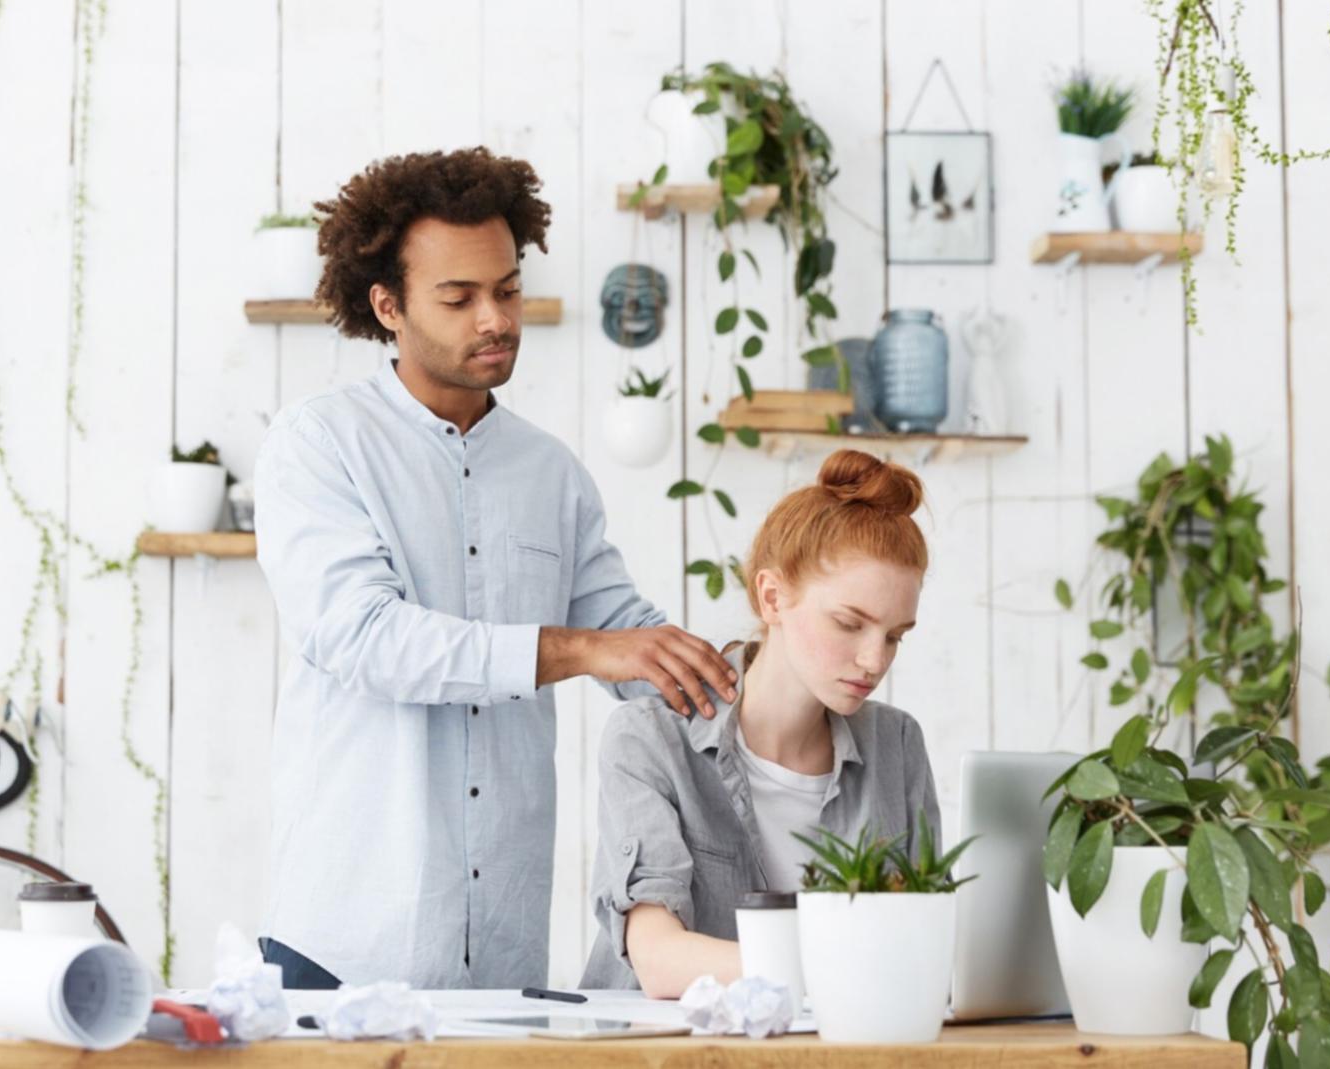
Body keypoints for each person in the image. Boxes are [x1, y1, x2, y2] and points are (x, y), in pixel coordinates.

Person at [253, 147, 736, 990]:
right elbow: (366, 638)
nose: (495, 319)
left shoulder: (551, 472)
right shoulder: (318, 444)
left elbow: (628, 639)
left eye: (507, 290)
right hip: (343, 945)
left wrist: (763, 674)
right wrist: (580, 650)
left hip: (503, 954)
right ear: (388, 305)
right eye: (459, 297)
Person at [580, 449, 941, 996]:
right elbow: (657, 959)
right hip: (670, 1042)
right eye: (850, 624)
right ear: (772, 597)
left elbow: (925, 936)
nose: (875, 660)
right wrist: (842, 965)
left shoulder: (896, 743)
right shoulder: (650, 739)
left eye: (895, 636)